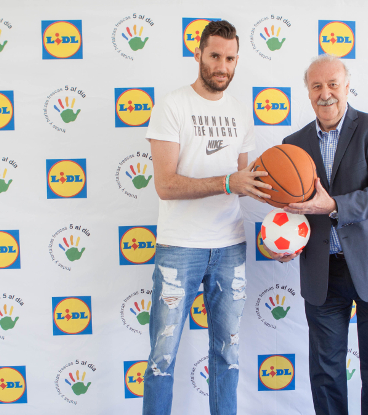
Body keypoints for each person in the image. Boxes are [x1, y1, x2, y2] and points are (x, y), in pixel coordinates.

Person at [272, 54, 368, 415]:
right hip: (324, 271)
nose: (326, 94)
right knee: (325, 371)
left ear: (347, 86)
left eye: (333, 84)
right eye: (316, 86)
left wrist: (333, 205)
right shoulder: (293, 143)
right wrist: (288, 241)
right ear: (307, 93)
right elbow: (295, 208)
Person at [142, 20, 271, 415]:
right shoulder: (172, 105)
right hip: (180, 247)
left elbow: (245, 184)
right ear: (198, 53)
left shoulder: (238, 111)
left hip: (230, 246)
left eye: (230, 59)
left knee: (227, 354)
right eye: (215, 56)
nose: (222, 66)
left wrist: (281, 222)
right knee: (162, 357)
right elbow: (165, 185)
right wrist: (229, 181)